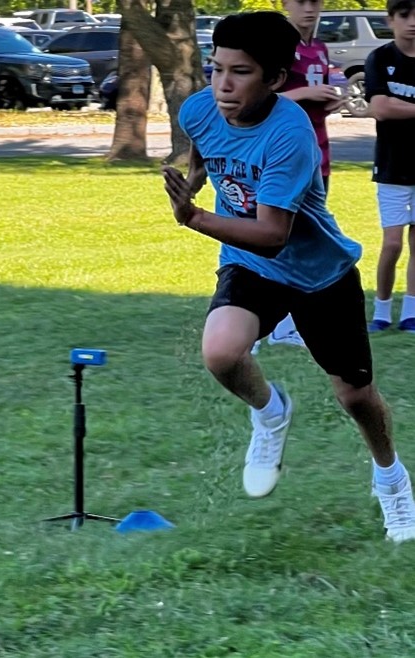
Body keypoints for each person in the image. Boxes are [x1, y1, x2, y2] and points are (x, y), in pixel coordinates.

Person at [162, 11, 415, 543]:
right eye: (215, 69)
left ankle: (391, 478)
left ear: (276, 80)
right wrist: (193, 181)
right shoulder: (199, 109)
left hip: (317, 272)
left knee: (355, 397)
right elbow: (207, 152)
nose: (223, 86)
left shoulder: (290, 136)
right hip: (249, 264)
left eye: (241, 73)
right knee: (221, 353)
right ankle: (271, 412)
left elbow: (274, 233)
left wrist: (196, 217)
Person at [264, 0, 345, 349]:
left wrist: (329, 101)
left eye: (316, 1)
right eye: (301, 1)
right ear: (285, 4)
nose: (310, 9)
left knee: (307, 237)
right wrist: (305, 93)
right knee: (275, 236)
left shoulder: (319, 48)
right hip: (285, 155)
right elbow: (263, 97)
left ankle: (290, 320)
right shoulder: (277, 47)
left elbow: (316, 98)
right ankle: (269, 320)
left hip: (318, 152)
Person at [364, 0, 415, 334]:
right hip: (392, 167)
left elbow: (392, 105)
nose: (412, 23)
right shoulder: (380, 58)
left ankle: (411, 311)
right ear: (391, 19)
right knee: (393, 244)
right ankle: (381, 310)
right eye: (405, 15)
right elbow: (379, 107)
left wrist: (402, 105)